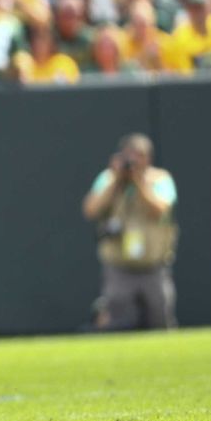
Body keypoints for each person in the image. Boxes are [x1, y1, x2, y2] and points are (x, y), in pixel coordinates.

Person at [82, 133, 179, 331]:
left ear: (148, 158)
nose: (133, 162)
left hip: (153, 264)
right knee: (119, 322)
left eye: (138, 156)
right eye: (129, 156)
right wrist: (117, 181)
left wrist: (139, 182)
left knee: (159, 319)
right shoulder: (109, 178)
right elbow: (91, 210)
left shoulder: (159, 179)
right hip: (119, 265)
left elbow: (160, 209)